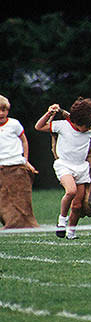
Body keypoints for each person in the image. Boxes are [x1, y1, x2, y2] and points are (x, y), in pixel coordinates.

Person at [35, 97, 91, 239]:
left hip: (81, 168)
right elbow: (38, 127)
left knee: (77, 206)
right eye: (86, 126)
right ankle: (61, 221)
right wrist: (49, 113)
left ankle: (71, 233)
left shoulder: (90, 129)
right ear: (77, 122)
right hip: (64, 165)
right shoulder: (63, 126)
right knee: (71, 191)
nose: (88, 129)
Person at [0, 95, 39, 228]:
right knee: (4, 199)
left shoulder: (14, 124)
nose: (1, 113)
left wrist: (26, 160)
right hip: (1, 166)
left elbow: (24, 140)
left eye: (4, 110)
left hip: (16, 164)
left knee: (20, 198)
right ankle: (10, 221)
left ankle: (23, 223)